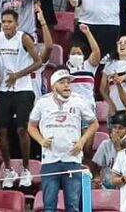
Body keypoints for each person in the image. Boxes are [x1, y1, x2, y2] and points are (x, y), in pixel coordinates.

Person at [29, 70, 99, 212]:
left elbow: (94, 123)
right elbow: (31, 126)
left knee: (72, 206)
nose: (67, 85)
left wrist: (82, 141)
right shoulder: (42, 102)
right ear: (54, 86)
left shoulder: (78, 100)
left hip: (72, 160)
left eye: (68, 82)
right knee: (49, 206)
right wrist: (41, 140)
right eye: (62, 82)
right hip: (49, 161)